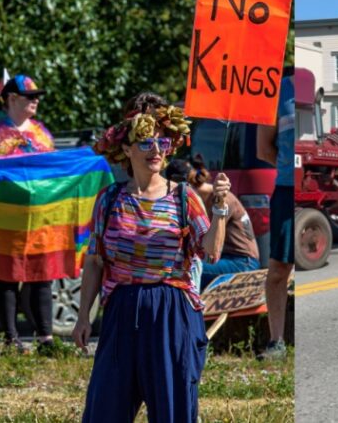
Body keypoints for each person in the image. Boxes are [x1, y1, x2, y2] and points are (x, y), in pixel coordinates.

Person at [73, 92, 230, 422]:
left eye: (162, 142)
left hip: (172, 311)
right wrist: (83, 317)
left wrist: (220, 207)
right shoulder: (109, 199)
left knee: (173, 411)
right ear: (127, 149)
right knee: (105, 409)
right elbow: (95, 261)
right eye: (145, 142)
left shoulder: (184, 198)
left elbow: (211, 251)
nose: (156, 150)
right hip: (121, 310)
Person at [0, 74, 55, 354]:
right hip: (4, 219)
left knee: (41, 274)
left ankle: (46, 338)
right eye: (30, 97)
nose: (36, 101)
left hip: (38, 218)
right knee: (6, 278)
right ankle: (10, 338)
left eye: (37, 97)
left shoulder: (42, 133)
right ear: (11, 98)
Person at [166, 157, 260, 292]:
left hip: (243, 262)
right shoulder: (203, 199)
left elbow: (212, 251)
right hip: (227, 259)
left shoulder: (222, 199)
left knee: (188, 268)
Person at [257, 69, 295, 360]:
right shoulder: (275, 91)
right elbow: (263, 149)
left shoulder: (314, 87)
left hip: (318, 187)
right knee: (279, 269)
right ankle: (276, 342)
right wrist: (289, 168)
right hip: (286, 189)